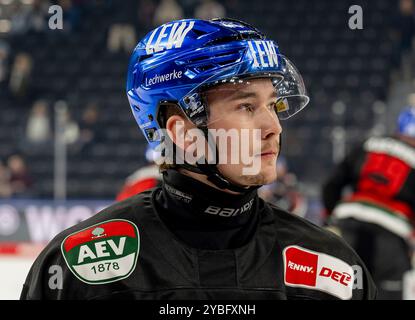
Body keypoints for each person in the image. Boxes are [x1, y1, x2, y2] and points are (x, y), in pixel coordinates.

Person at [21, 18, 376, 300]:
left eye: (273, 104)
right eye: (247, 106)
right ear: (181, 132)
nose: (274, 127)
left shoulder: (335, 268)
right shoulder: (76, 267)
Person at [322, 106, 415, 300]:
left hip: (347, 226)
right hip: (391, 236)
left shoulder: (370, 143)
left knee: (342, 293)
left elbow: (332, 184)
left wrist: (332, 218)